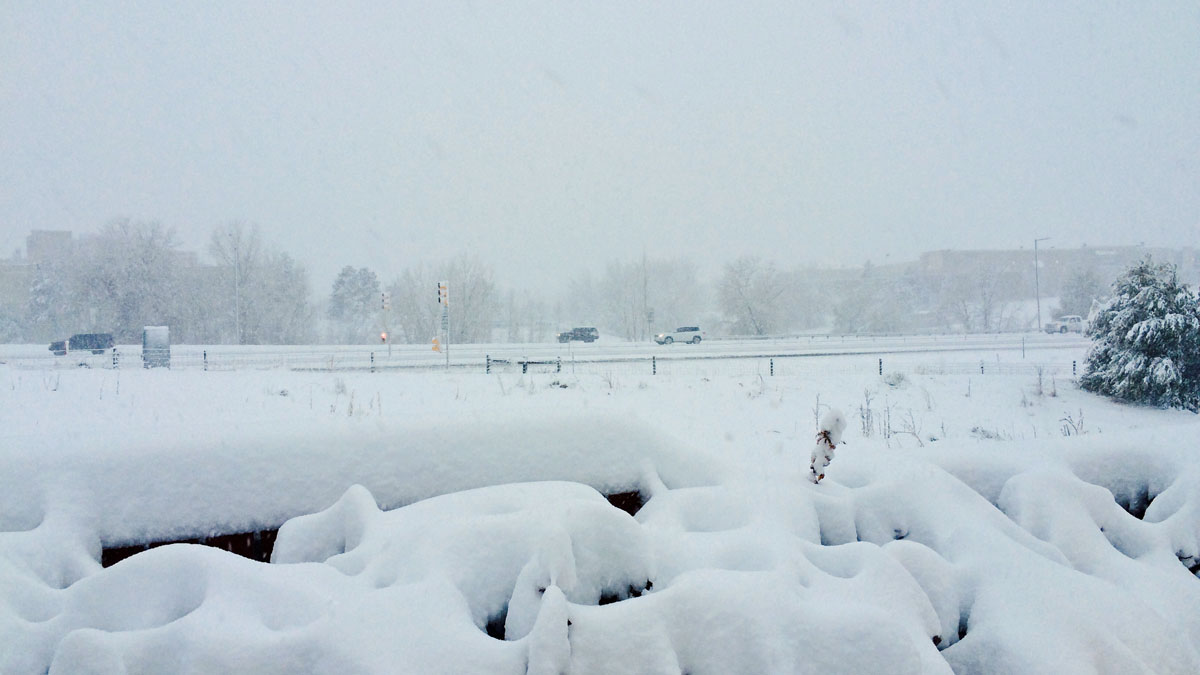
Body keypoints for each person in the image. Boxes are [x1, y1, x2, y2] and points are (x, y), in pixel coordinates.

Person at [810, 408, 846, 484]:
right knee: (820, 457)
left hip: (823, 451)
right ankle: (814, 476)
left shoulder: (829, 437)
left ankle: (815, 475)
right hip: (822, 451)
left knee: (821, 457)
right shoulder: (826, 439)